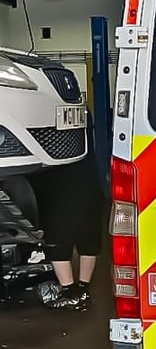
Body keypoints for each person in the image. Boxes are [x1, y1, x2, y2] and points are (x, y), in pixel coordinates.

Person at [32, 109, 104, 311]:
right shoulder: (82, 110)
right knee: (89, 238)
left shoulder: (41, 112)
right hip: (89, 178)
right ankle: (83, 290)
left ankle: (69, 291)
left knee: (58, 238)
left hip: (59, 182)